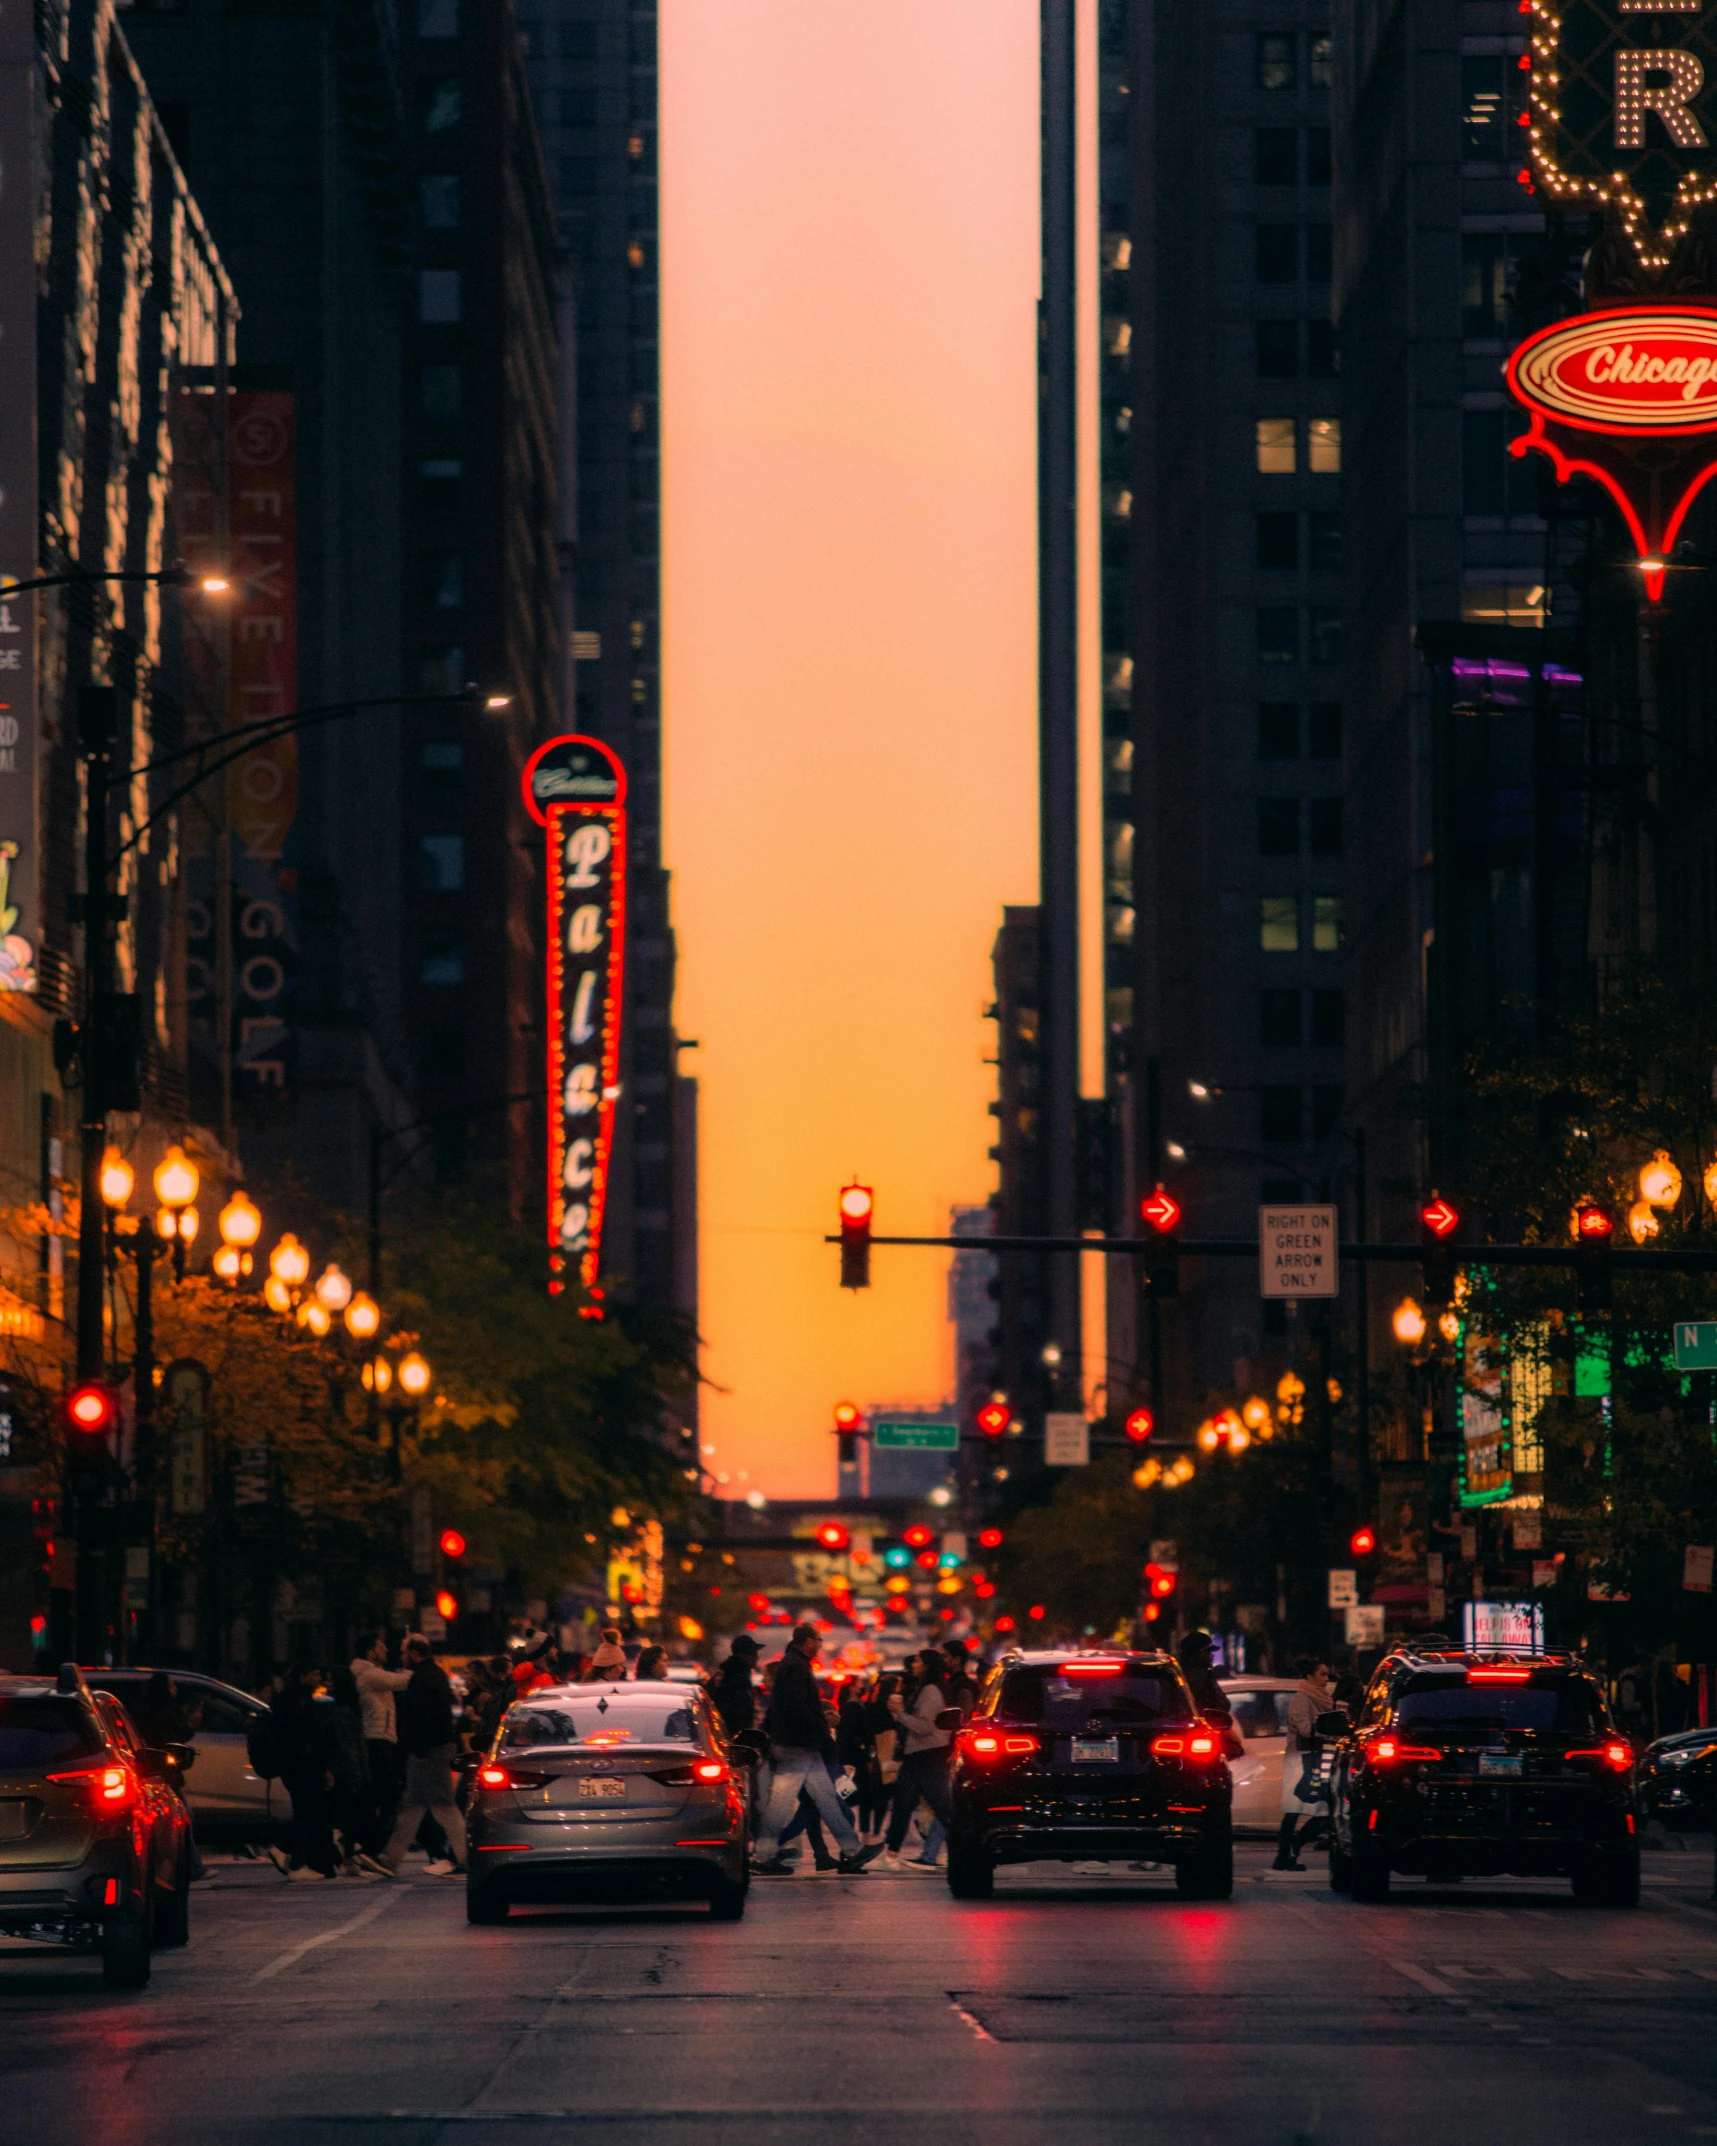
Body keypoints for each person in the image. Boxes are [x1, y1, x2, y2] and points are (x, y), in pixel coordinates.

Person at [750, 1625, 881, 1876]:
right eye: (819, 1640)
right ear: (807, 1641)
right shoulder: (797, 1666)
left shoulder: (793, 1664)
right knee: (797, 1803)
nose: (821, 1645)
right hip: (798, 1745)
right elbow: (799, 1707)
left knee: (826, 1802)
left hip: (798, 1744)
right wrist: (820, 1732)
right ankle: (763, 1857)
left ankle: (851, 1852)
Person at [375, 1637, 468, 1877]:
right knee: (414, 1808)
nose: (402, 1656)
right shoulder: (434, 1674)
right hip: (433, 1748)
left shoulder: (422, 1678)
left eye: (405, 1652)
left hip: (429, 1751)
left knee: (441, 1806)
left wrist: (417, 1747)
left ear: (415, 1653)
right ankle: (389, 1859)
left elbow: (421, 1716)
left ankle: (466, 1856)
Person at [266, 1665, 340, 1882]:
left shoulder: (293, 1699)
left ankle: (293, 1856)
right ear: (303, 1675)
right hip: (301, 1764)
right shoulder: (296, 1701)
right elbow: (307, 1736)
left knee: (306, 1810)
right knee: (308, 1809)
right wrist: (321, 1765)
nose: (318, 1677)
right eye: (314, 1674)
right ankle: (291, 1857)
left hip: (298, 1764)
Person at [883, 1649, 953, 1871]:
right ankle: (891, 1855)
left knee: (942, 1807)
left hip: (928, 1755)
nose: (914, 1664)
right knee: (903, 1804)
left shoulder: (931, 1691)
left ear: (928, 1666)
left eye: (919, 1661)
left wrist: (900, 1713)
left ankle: (968, 1850)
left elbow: (925, 1726)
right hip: (918, 1756)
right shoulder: (925, 1689)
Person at [351, 1630, 413, 1849]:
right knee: (387, 1792)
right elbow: (403, 1681)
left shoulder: (371, 1673)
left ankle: (362, 1841)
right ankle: (371, 1843)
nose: (386, 1649)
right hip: (377, 1739)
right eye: (380, 1646)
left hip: (379, 1737)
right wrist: (409, 1660)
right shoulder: (370, 1675)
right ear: (370, 1652)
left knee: (377, 1792)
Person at [1274, 1658, 1335, 1871]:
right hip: (1302, 1760)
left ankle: (1290, 1850)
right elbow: (1305, 1729)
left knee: (1323, 1809)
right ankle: (1285, 1854)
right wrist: (1330, 1730)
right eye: (1322, 1674)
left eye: (1327, 1674)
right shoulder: (1302, 1698)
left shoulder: (1323, 1699)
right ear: (1309, 1677)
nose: (1327, 1679)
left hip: (1318, 1758)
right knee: (1295, 1809)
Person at [325, 1666, 374, 1875]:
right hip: (352, 1770)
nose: (326, 1684)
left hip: (343, 1771)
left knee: (340, 1815)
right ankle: (349, 1857)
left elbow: (346, 1747)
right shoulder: (351, 1709)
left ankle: (343, 1855)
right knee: (350, 1817)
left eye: (330, 1680)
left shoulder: (337, 1711)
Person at [709, 1634, 760, 1738]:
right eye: (754, 1653)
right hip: (733, 1733)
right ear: (744, 1655)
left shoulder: (728, 1671)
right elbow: (738, 1707)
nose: (757, 1657)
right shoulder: (738, 1675)